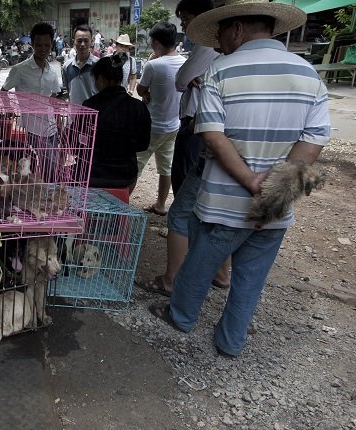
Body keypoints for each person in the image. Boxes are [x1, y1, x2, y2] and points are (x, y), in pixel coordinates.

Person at [149, 0, 329, 358]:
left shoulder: (222, 71)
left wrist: (250, 180)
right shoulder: (309, 74)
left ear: (237, 28)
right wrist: (275, 183)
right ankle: (231, 341)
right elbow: (315, 139)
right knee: (250, 279)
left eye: (221, 33)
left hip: (222, 202)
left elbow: (212, 135)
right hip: (275, 205)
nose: (218, 42)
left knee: (198, 266)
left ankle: (181, 316)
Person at [140, 0, 229, 297]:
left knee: (185, 200)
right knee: (213, 200)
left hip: (195, 128)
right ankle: (220, 270)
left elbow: (180, 82)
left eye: (187, 19)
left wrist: (193, 81)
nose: (185, 27)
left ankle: (173, 279)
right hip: (188, 128)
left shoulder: (206, 47)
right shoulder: (218, 54)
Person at [133, 22, 186, 213]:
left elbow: (140, 90)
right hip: (174, 126)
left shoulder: (153, 65)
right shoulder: (184, 63)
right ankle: (161, 205)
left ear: (156, 42)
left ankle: (122, 203)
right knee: (166, 167)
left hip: (152, 126)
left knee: (135, 165)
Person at [83, 55, 151, 189]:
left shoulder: (89, 106)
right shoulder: (138, 107)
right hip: (125, 176)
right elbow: (143, 145)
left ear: (101, 79)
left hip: (93, 175)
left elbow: (80, 145)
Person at [1, 23, 61, 176]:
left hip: (52, 126)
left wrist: (59, 123)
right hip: (33, 127)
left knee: (51, 165)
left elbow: (54, 97)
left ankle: (46, 192)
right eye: (39, 45)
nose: (43, 49)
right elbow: (4, 91)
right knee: (48, 165)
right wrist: (10, 111)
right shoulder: (20, 69)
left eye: (46, 45)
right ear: (32, 44)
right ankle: (44, 191)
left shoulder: (52, 72)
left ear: (51, 45)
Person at [62, 24, 99, 105]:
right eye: (79, 41)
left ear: (91, 41)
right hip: (73, 115)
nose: (82, 44)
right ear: (73, 41)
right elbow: (68, 92)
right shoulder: (67, 66)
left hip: (94, 114)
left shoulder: (99, 65)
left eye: (86, 41)